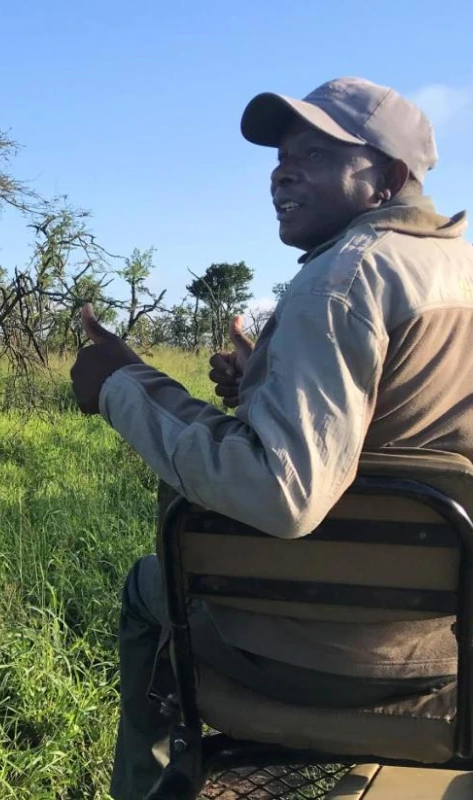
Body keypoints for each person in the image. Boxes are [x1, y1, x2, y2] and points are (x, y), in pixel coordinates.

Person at [68, 76, 473, 800]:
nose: (281, 171)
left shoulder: (342, 280)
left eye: (314, 154)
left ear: (386, 177)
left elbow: (283, 494)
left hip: (324, 651)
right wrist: (267, 381)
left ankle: (148, 785)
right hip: (444, 645)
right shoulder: (457, 271)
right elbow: (403, 433)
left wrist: (124, 385)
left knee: (144, 588)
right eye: (282, 155)